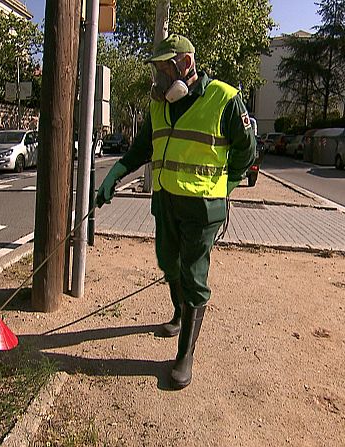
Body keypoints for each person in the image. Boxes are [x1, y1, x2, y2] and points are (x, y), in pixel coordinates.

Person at [96, 35, 256, 389]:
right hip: (165, 201)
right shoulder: (160, 105)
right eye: (156, 70)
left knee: (193, 277)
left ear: (185, 64)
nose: (158, 78)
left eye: (163, 69)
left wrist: (227, 187)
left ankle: (185, 354)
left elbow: (247, 150)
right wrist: (112, 177)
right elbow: (139, 150)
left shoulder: (224, 99)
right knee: (169, 263)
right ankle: (179, 313)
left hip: (202, 208)